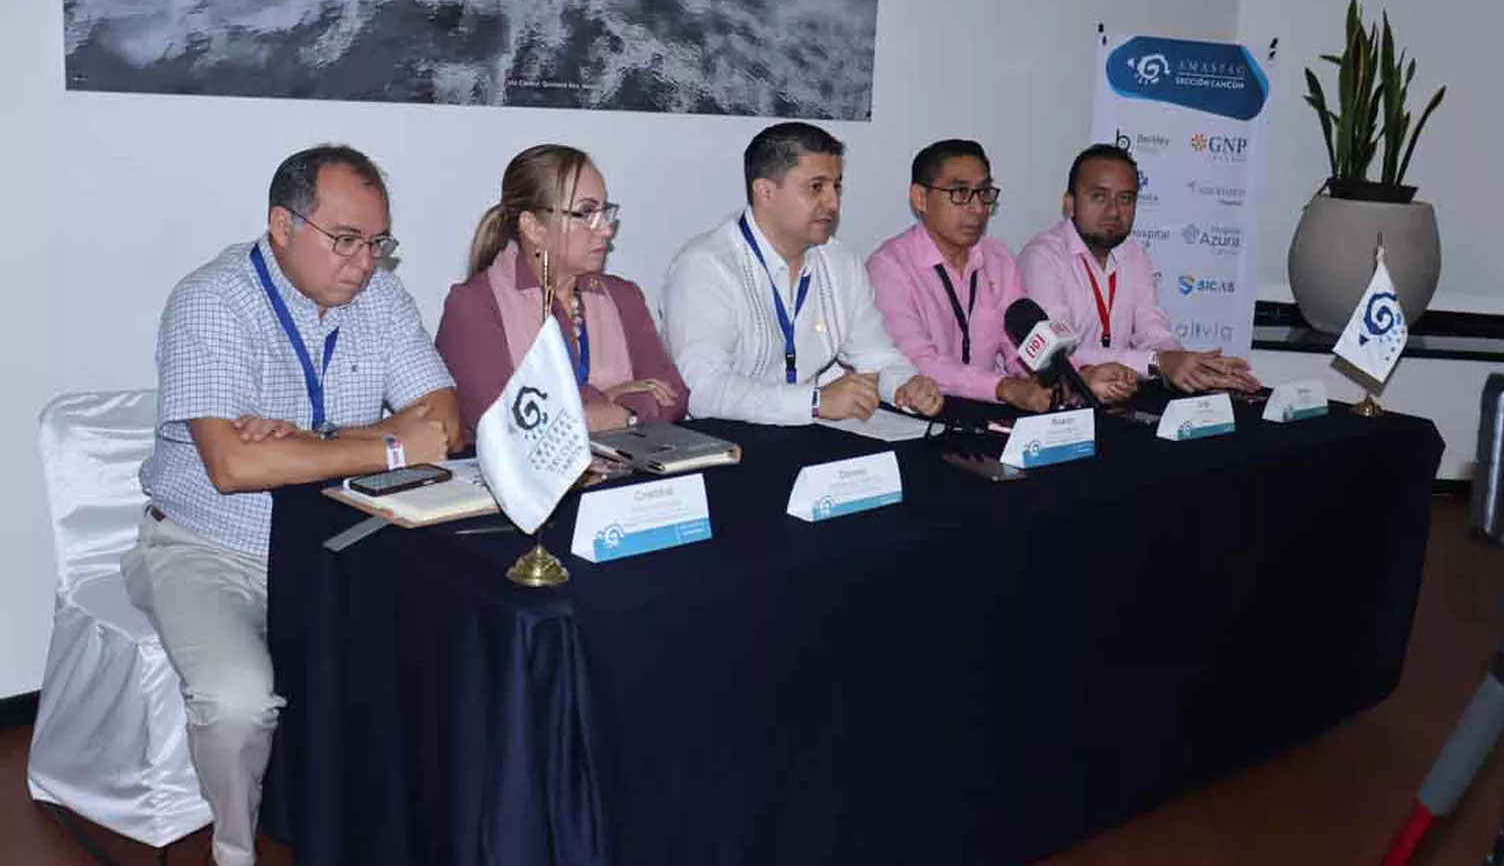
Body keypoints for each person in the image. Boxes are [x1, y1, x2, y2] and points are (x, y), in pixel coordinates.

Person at [125, 145, 461, 866]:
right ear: (282, 224)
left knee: (443, 653)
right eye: (345, 240)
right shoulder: (210, 300)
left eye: (378, 243)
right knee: (238, 700)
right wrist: (392, 447)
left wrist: (313, 438)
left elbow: (443, 421)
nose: (364, 262)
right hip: (210, 547)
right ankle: (235, 850)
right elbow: (236, 465)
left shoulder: (381, 299)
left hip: (340, 546)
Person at [663, 121, 943, 424]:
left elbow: (876, 358)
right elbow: (703, 390)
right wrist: (813, 401)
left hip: (810, 433)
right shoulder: (705, 267)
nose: (833, 203)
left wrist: (906, 384)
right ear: (766, 191)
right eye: (816, 187)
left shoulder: (841, 262)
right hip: (726, 442)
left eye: (836, 186)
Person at [435, 145, 687, 440]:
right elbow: (505, 425)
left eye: (605, 212)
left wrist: (618, 411)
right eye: (586, 213)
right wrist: (607, 399)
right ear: (533, 227)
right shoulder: (475, 306)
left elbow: (674, 396)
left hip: (628, 474)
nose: (605, 229)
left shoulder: (623, 297)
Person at [867, 139, 1137, 411]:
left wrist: (1078, 377)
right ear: (920, 198)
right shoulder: (890, 267)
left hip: (985, 411)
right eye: (960, 192)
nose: (978, 208)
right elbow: (917, 362)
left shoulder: (997, 258)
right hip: (916, 414)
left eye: (984, 192)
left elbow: (1020, 346)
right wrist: (1003, 387)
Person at [1019, 143, 1262, 394]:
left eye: (1125, 199)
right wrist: (1158, 362)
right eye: (1099, 197)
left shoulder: (1134, 254)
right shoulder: (1042, 258)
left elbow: (1152, 330)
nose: (1113, 211)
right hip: (1050, 406)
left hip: (1115, 399)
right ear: (1069, 203)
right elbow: (1059, 355)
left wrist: (1192, 365)